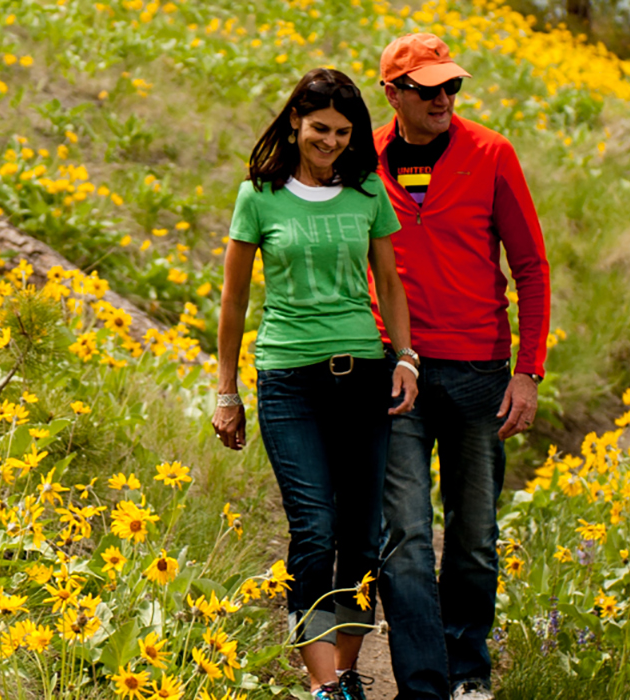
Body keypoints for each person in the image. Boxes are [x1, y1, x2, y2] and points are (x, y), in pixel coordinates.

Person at [212, 67, 420, 700]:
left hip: (365, 376)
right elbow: (234, 298)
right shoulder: (259, 195)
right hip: (288, 382)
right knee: (314, 531)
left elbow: (388, 283)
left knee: (362, 534)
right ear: (296, 122)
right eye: (319, 128)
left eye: (341, 131)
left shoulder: (367, 193)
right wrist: (226, 390)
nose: (329, 140)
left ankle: (350, 672)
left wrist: (406, 359)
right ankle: (324, 685)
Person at [370, 34, 551, 700]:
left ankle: (469, 672)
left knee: (473, 536)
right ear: (393, 93)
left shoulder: (492, 154)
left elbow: (531, 266)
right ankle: (423, 684)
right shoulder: (363, 162)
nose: (443, 98)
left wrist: (528, 372)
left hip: (481, 373)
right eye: (428, 89)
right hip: (397, 374)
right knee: (406, 536)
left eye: (452, 87)